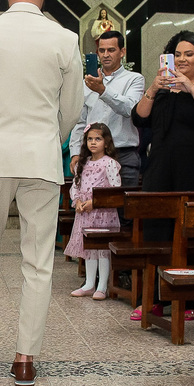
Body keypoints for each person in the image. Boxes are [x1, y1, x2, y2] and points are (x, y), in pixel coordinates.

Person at [0, 0, 83, 386]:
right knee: (38, 261)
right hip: (40, 156)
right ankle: (25, 357)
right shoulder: (64, 38)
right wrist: (50, 138)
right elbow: (71, 107)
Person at [132, 30, 194, 322]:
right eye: (177, 54)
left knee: (193, 238)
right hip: (161, 171)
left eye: (189, 54)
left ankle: (189, 299)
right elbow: (140, 117)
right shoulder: (164, 89)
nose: (182, 59)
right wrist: (153, 87)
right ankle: (151, 299)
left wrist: (189, 85)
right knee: (156, 235)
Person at [68, 30, 145, 187]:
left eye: (111, 50)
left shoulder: (134, 79)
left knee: (124, 209)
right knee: (93, 208)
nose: (106, 55)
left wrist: (103, 91)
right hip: (92, 156)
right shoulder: (87, 83)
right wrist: (75, 152)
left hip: (123, 154)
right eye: (102, 50)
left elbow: (129, 109)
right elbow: (80, 121)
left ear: (122, 52)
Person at [65, 123, 121, 300]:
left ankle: (102, 286)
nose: (93, 143)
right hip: (85, 214)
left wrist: (94, 202)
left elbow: (115, 189)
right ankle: (89, 284)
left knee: (101, 249)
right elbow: (75, 186)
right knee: (89, 249)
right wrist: (79, 201)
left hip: (102, 214)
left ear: (106, 142)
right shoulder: (83, 163)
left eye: (98, 139)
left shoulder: (110, 164)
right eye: (90, 139)